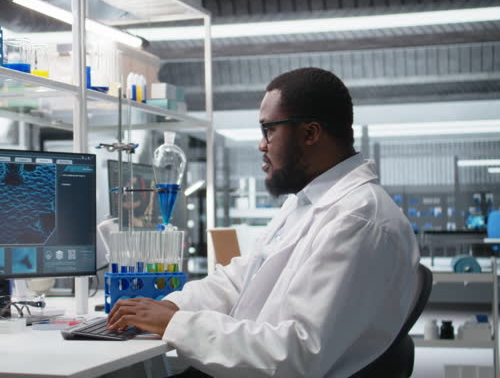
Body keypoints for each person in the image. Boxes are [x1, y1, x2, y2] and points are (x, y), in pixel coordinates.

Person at [107, 67, 419, 377]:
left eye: (269, 130)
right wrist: (172, 307)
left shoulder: (358, 219)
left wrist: (175, 324)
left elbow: (295, 354)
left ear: (310, 133)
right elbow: (240, 279)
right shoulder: (305, 202)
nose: (261, 144)